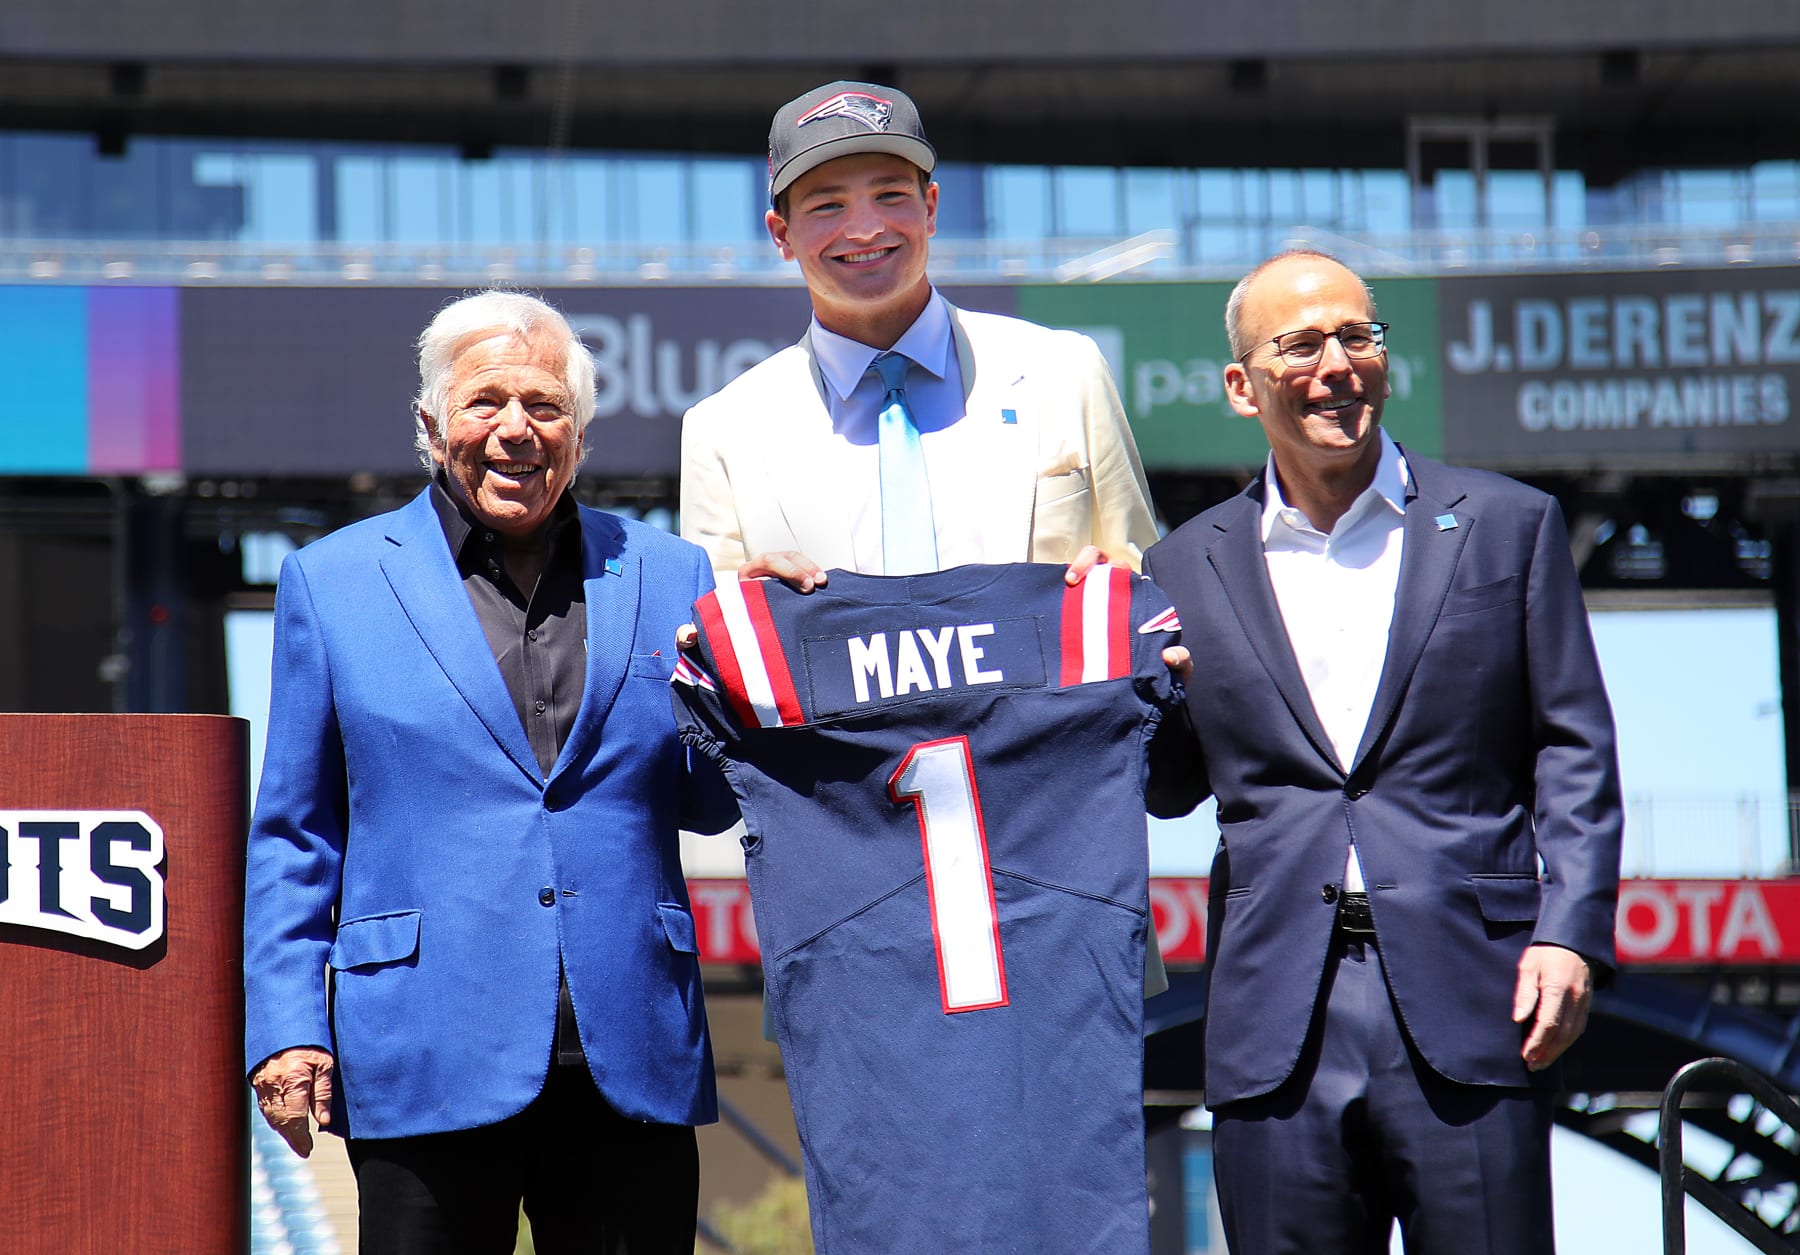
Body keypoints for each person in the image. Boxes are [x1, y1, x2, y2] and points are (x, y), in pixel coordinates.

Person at [1143, 250, 1623, 1254]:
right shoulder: (1181, 564)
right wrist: (1143, 690)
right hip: (1278, 1022)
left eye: (1357, 336)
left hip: (1478, 997)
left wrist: (1570, 930)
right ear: (1243, 385)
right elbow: (1169, 785)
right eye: (1302, 344)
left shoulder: (1506, 526)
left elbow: (1573, 747)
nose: (1336, 365)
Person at [243, 290, 738, 1255]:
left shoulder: (674, 573)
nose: (517, 428)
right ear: (432, 426)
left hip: (628, 1048)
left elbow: (714, 802)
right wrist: (287, 1026)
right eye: (485, 403)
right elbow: (296, 834)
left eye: (546, 405)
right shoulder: (332, 580)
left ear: (582, 436)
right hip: (422, 1048)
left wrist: (757, 666)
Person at [679, 78, 1159, 589]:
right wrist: (745, 609)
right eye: (827, 206)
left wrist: (1122, 590)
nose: (865, 229)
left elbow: (1147, 591)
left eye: (890, 195)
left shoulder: (1063, 372)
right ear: (782, 235)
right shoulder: (724, 431)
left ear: (929, 208)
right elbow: (711, 640)